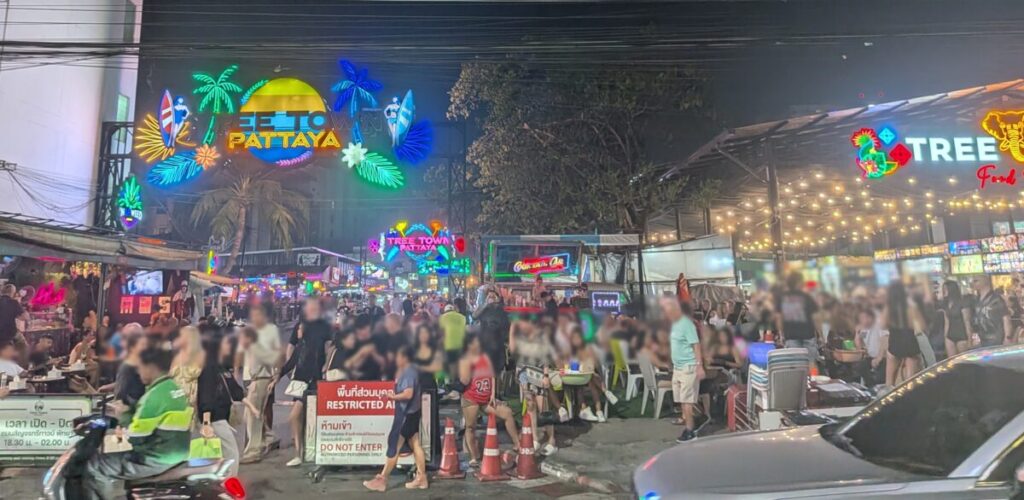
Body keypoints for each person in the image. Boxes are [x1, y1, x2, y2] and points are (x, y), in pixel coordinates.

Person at [84, 347, 192, 500]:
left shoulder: (154, 396)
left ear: (151, 367)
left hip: (156, 457)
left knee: (95, 465)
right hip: (177, 453)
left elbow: (136, 438)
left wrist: (122, 416)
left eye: (140, 368)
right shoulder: (175, 389)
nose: (139, 373)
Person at [363, 346, 428, 492]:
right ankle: (421, 478)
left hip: (405, 415)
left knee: (394, 446)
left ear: (405, 357)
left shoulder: (409, 372)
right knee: (415, 444)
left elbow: (408, 393)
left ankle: (382, 479)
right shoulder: (410, 370)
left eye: (398, 356)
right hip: (411, 413)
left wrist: (392, 397)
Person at [281, 299, 332, 467]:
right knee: (297, 416)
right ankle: (300, 452)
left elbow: (329, 347)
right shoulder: (300, 328)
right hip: (301, 378)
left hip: (315, 378)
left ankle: (309, 452)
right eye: (310, 308)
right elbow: (294, 349)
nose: (312, 311)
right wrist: (284, 371)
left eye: (315, 308)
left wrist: (326, 366)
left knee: (308, 415)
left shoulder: (324, 327)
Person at [460, 334, 519, 466]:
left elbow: (492, 375)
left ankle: (518, 444)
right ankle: (474, 457)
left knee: (507, 413)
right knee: (471, 427)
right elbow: (464, 380)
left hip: (486, 399)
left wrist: (493, 394)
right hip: (471, 399)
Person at [510, 319, 559, 455]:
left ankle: (552, 440)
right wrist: (512, 328)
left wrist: (546, 375)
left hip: (538, 374)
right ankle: (535, 438)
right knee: (530, 406)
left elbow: (545, 359)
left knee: (544, 408)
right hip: (524, 374)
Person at [239, 307, 281, 464]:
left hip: (259, 378)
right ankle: (269, 438)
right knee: (252, 414)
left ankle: (254, 450)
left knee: (254, 416)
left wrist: (272, 376)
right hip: (256, 378)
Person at [196, 337, 243, 476]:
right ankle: (229, 483)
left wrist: (250, 404)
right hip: (215, 419)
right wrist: (206, 423)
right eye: (226, 344)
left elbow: (235, 390)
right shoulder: (209, 368)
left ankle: (222, 482)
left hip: (221, 418)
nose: (229, 346)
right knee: (231, 454)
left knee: (223, 455)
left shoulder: (221, 367)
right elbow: (206, 395)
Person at [662, 297, 704, 443]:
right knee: (681, 399)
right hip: (678, 367)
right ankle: (689, 422)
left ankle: (690, 430)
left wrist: (699, 365)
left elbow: (696, 345)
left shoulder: (687, 324)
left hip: (688, 367)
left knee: (687, 401)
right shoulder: (674, 324)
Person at [884, 282, 925, 386]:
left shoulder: (888, 307)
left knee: (889, 383)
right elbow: (920, 326)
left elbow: (884, 324)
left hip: (894, 344)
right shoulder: (910, 306)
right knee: (909, 383)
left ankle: (889, 393)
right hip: (910, 343)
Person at [775, 272, 819, 365]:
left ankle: (800, 374)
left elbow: (779, 317)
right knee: (811, 364)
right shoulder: (806, 297)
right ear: (798, 282)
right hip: (808, 335)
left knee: (796, 365)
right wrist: (820, 336)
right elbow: (815, 318)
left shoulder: (782, 297)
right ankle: (812, 374)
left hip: (791, 336)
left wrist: (781, 334)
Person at [108, 335, 149, 422]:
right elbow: (121, 388)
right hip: (130, 405)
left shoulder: (142, 363)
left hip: (140, 403)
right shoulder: (127, 366)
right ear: (132, 348)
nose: (145, 347)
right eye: (142, 345)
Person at [972, 275, 1013, 347]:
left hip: (996, 338)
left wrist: (1007, 337)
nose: (973, 283)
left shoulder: (996, 299)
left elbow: (1006, 318)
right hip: (981, 338)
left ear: (984, 282)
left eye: (976, 281)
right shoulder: (976, 300)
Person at [170, 325, 204, 410]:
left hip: (191, 401)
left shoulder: (200, 355)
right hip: (174, 397)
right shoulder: (175, 354)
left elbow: (206, 383)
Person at [854, 309, 888, 386]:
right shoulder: (864, 329)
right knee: (859, 366)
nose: (864, 320)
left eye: (866, 317)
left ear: (871, 317)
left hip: (883, 357)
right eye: (861, 318)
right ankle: (870, 385)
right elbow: (859, 346)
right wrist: (857, 334)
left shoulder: (879, 324)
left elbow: (885, 339)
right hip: (870, 357)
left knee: (879, 378)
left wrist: (879, 358)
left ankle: (874, 385)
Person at [940, 280, 972, 357]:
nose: (943, 291)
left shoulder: (962, 302)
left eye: (945, 289)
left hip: (962, 334)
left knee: (962, 360)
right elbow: (947, 322)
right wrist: (945, 337)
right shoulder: (946, 303)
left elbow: (967, 321)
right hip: (950, 335)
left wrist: (970, 339)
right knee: (951, 361)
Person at [438, 303, 467, 382]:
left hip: (448, 346)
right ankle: (458, 382)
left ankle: (449, 382)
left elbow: (440, 333)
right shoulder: (462, 317)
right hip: (460, 345)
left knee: (448, 364)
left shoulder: (442, 318)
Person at [0, 284, 27, 357]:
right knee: (23, 347)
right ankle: (23, 362)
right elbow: (23, 317)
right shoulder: (14, 302)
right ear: (12, 292)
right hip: (9, 333)